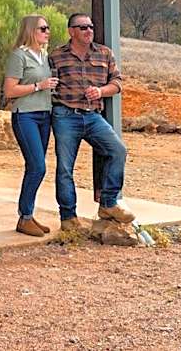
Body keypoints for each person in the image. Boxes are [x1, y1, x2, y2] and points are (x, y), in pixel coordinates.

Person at [48, 12, 133, 231]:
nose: (89, 31)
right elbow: (48, 85)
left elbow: (118, 83)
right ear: (71, 31)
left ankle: (108, 203)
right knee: (65, 168)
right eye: (83, 27)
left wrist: (100, 91)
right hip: (65, 116)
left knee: (118, 151)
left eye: (91, 27)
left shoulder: (104, 53)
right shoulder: (56, 56)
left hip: (93, 116)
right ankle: (68, 218)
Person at [3, 15, 59, 237]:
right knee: (38, 166)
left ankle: (27, 215)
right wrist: (39, 85)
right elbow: (9, 91)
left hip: (45, 116)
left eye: (48, 28)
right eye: (43, 28)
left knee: (34, 167)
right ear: (30, 31)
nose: (48, 32)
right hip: (25, 116)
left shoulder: (45, 56)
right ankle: (24, 217)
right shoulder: (19, 56)